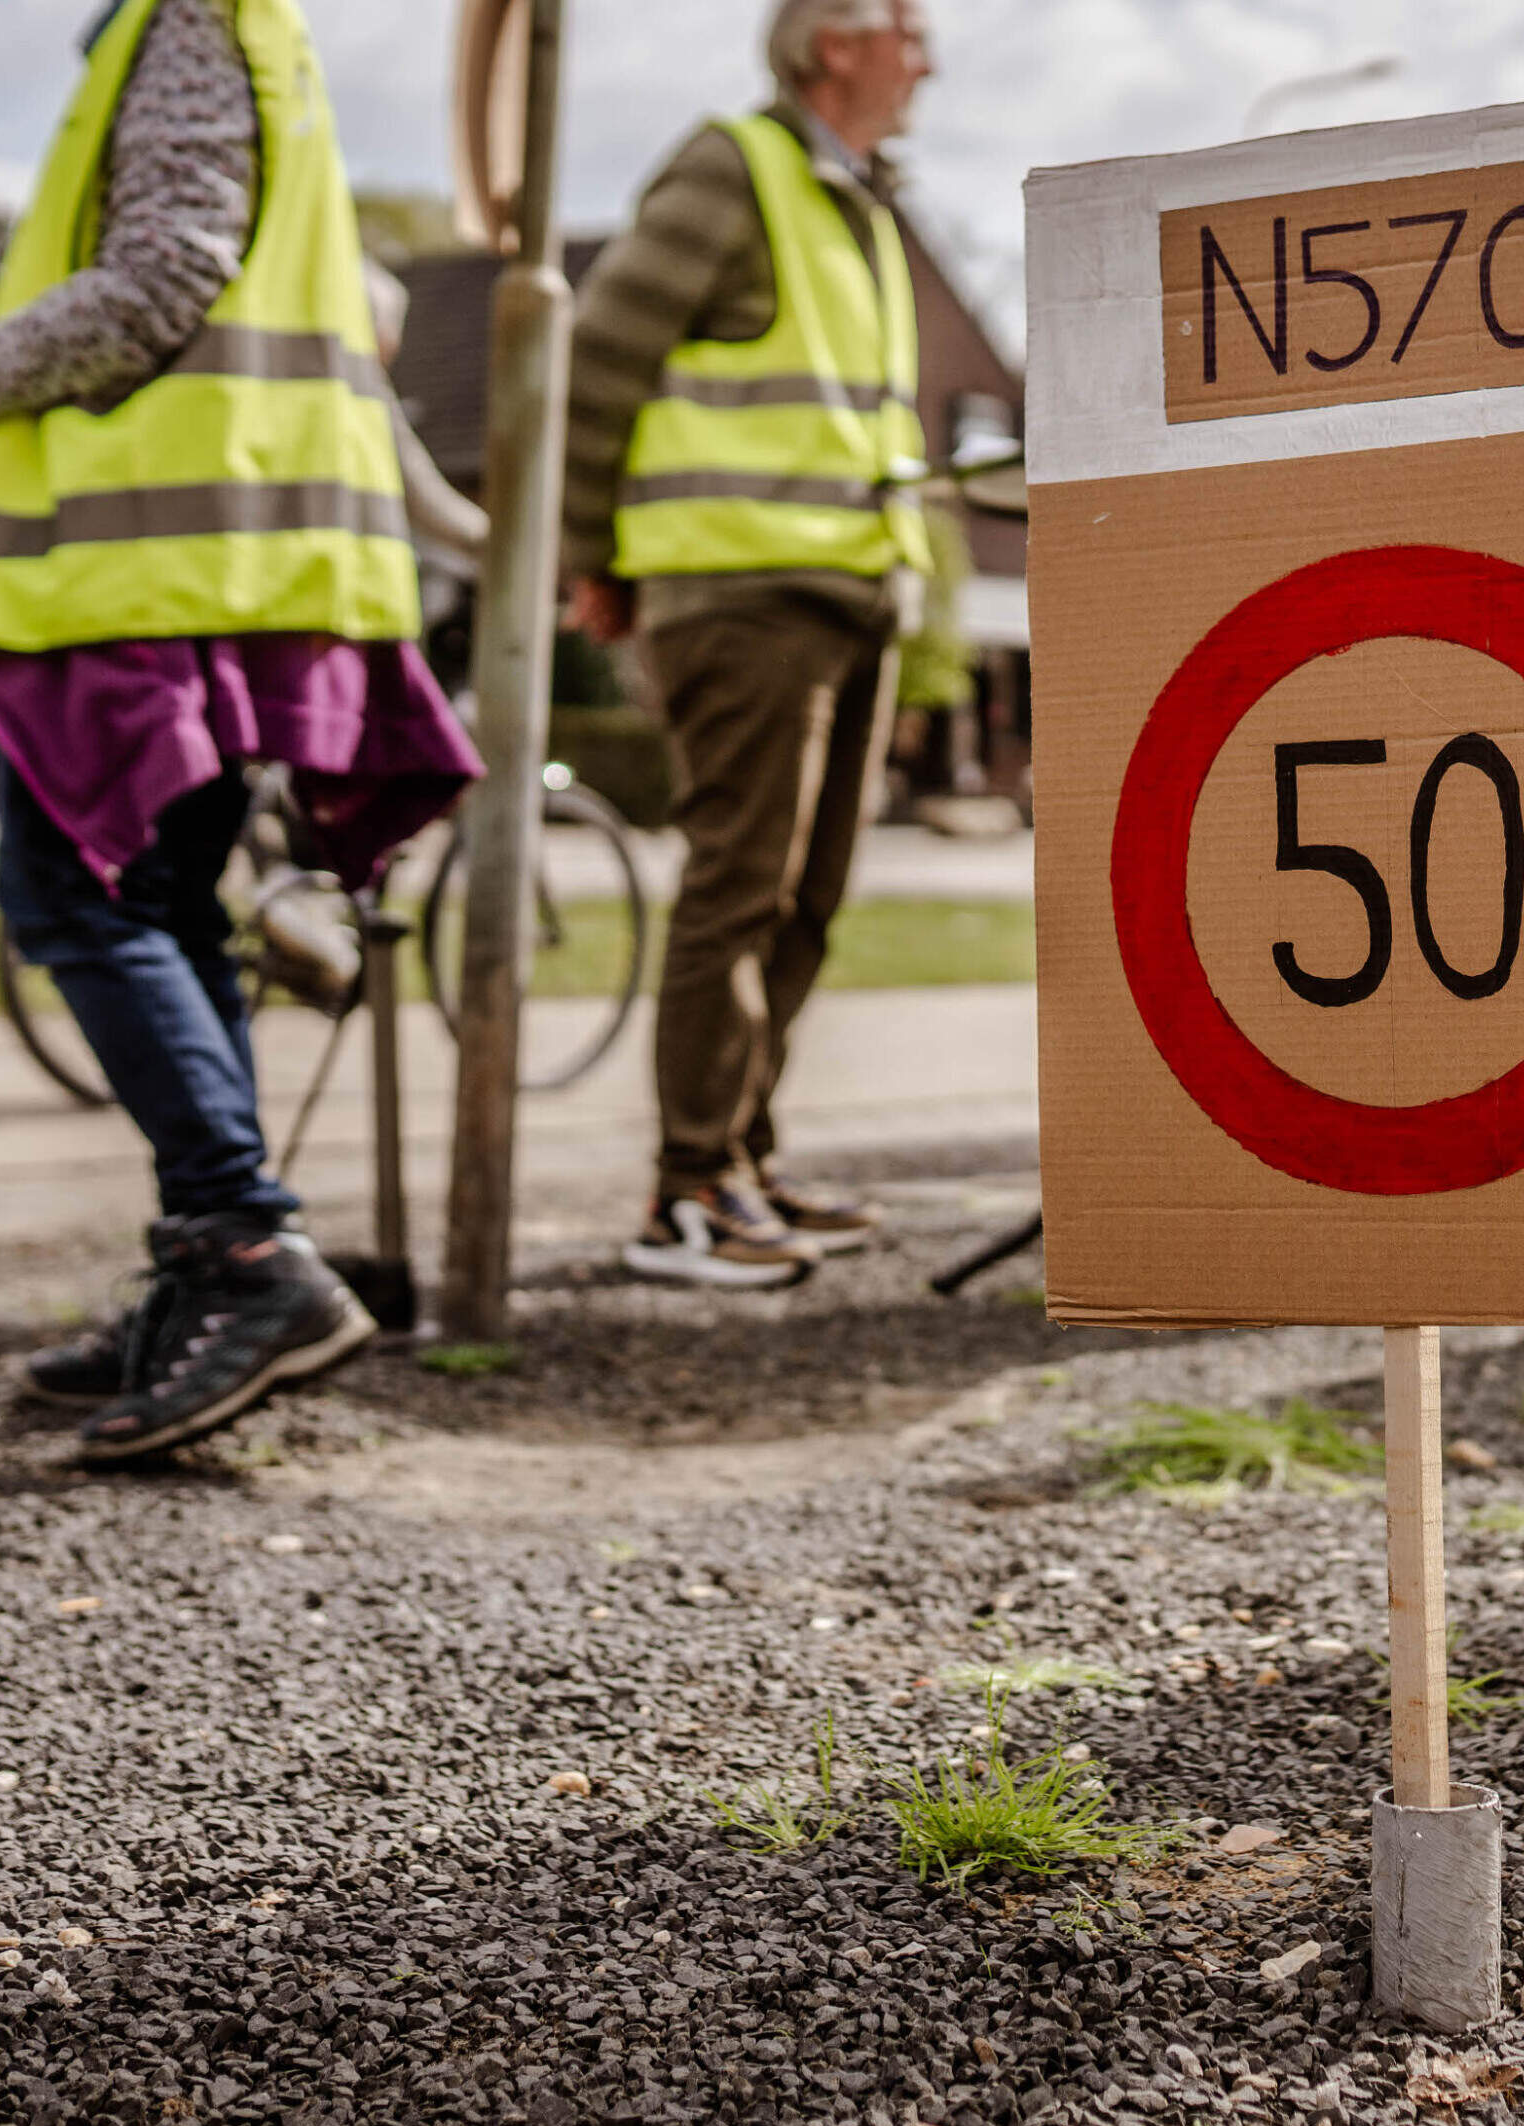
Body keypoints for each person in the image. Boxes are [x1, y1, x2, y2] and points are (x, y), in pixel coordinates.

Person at [0, 0, 477, 1457]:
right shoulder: (227, 25)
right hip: (208, 560)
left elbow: (165, 273)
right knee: (166, 904)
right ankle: (211, 1262)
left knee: (81, 897)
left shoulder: (187, 16)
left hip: (142, 578)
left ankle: (247, 1252)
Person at [561, 0, 937, 1291]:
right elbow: (602, 358)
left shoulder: (859, 201)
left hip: (852, 588)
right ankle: (687, 1189)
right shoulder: (736, 168)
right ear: (835, 42)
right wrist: (593, 554)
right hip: (742, 588)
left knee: (808, 896)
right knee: (741, 885)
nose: (928, 57)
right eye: (909, 28)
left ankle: (741, 1159)